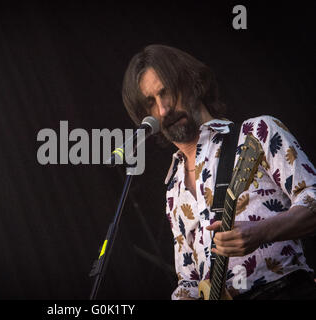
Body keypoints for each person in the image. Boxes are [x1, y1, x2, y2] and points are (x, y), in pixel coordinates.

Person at [121, 44, 316, 299]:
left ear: (193, 83)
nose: (164, 109)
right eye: (151, 103)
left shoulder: (258, 133)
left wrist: (262, 231)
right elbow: (189, 279)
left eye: (166, 92)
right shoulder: (173, 187)